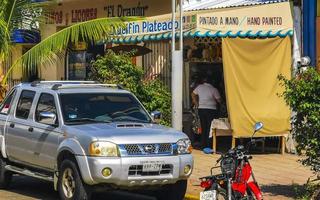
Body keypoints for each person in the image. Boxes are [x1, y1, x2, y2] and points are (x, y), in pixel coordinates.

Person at [191, 76, 221, 149]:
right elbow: (219, 100)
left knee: (203, 127)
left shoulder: (200, 87)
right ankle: (209, 145)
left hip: (201, 109)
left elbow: (193, 94)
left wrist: (196, 102)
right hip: (211, 110)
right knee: (210, 127)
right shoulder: (214, 89)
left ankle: (203, 144)